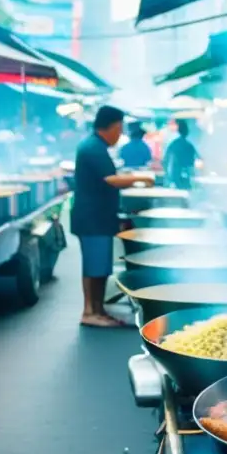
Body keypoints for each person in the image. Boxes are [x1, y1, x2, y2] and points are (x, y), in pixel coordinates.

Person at [71, 105, 154, 327]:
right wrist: (142, 178)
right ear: (114, 126)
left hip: (97, 216)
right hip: (92, 218)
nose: (120, 134)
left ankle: (98, 309)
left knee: (99, 266)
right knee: (94, 266)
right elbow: (111, 179)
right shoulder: (93, 148)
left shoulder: (95, 146)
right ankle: (90, 312)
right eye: (120, 128)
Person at [163, 119, 199, 190]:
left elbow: (167, 159)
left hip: (179, 172)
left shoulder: (175, 144)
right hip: (184, 172)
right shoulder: (188, 144)